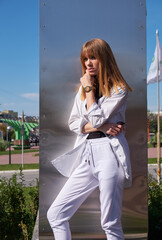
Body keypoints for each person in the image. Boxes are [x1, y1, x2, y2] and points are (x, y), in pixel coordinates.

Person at [47, 38, 132, 240]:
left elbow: (94, 116)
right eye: (85, 59)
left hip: (109, 156)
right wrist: (104, 126)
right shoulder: (82, 90)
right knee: (55, 214)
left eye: (93, 57)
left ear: (104, 58)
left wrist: (88, 89)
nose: (88, 63)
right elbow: (73, 123)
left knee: (110, 223)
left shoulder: (118, 89)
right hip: (87, 154)